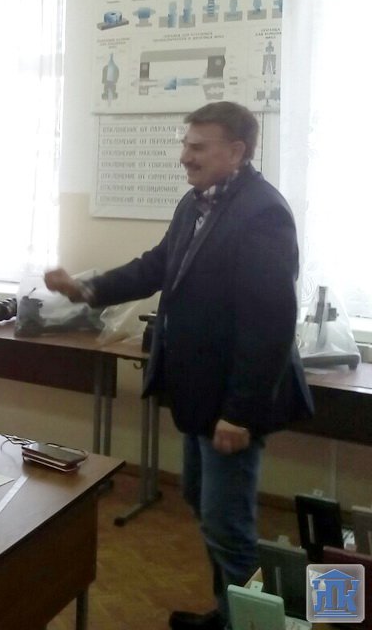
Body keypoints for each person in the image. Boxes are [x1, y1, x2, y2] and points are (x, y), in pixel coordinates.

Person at [44, 101, 313, 630]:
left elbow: (270, 325)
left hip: (231, 402)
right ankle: (229, 612)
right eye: (185, 144)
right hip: (198, 394)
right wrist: (86, 289)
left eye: (198, 147)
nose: (184, 157)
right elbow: (156, 265)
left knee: (227, 524)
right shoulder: (197, 202)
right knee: (202, 501)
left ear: (236, 151)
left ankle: (252, 624)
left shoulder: (263, 213)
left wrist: (239, 413)